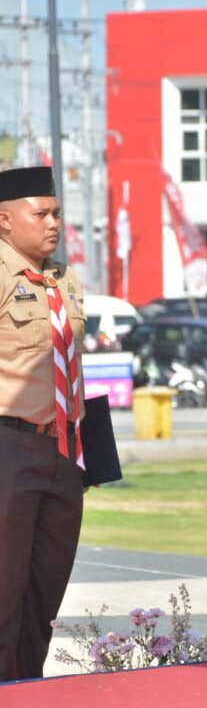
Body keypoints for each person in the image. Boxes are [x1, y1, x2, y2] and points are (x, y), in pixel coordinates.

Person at [0, 165, 86, 680]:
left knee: (44, 595)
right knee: (3, 592)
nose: (54, 222)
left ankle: (27, 694)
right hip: (9, 448)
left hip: (64, 453)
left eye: (57, 212)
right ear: (5, 220)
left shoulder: (63, 278)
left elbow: (71, 366)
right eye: (42, 213)